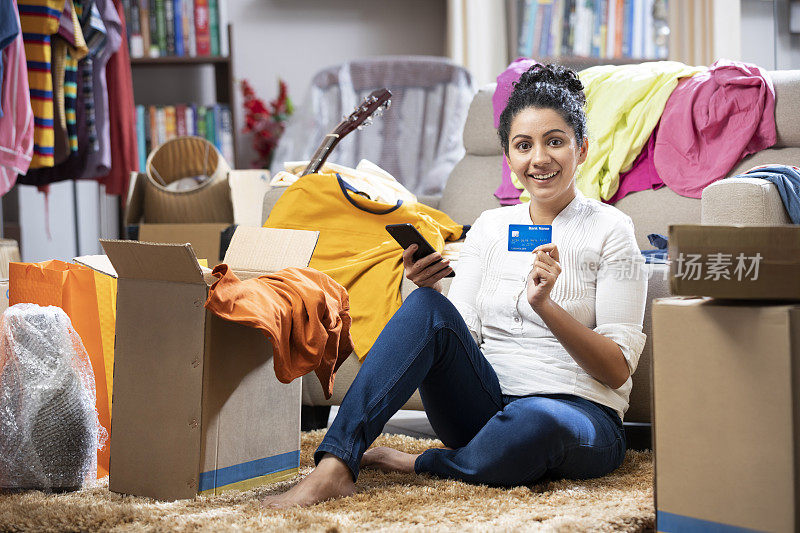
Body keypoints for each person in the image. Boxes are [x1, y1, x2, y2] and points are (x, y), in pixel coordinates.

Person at [261, 64, 648, 509]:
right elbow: (457, 334)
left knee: (536, 420)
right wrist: (429, 292)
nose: (539, 159)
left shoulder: (612, 230)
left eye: (555, 141)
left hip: (577, 415)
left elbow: (617, 370)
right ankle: (335, 465)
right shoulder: (490, 226)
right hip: (485, 409)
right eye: (524, 146)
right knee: (427, 305)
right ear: (509, 158)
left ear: (581, 149)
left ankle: (418, 464)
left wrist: (546, 307)